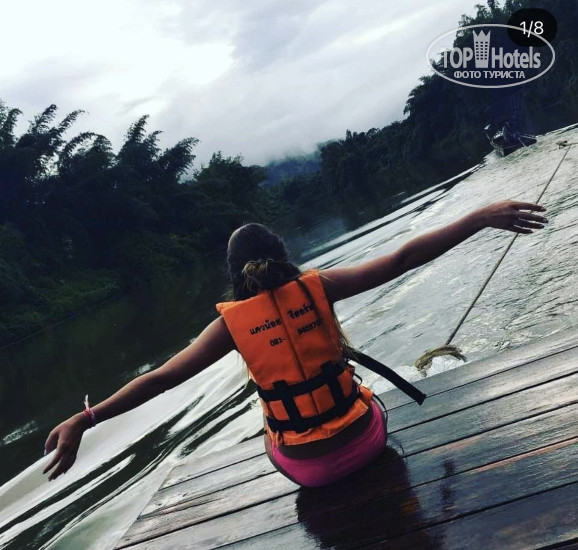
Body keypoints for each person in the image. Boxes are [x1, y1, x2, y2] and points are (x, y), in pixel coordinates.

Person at [43, 200, 547, 486]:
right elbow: (401, 259)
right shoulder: (319, 286)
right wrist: (479, 218)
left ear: (233, 275)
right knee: (363, 398)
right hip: (367, 442)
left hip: (306, 471)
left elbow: (159, 379)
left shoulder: (229, 326)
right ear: (284, 256)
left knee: (274, 430)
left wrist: (85, 419)